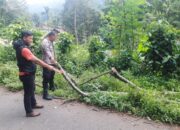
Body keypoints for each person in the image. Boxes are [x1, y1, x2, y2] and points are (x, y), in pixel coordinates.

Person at [13, 31, 63, 117]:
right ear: (24, 38)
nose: (31, 40)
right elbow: (36, 60)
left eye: (32, 38)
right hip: (26, 74)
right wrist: (49, 66)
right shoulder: (24, 49)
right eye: (30, 38)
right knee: (28, 93)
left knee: (32, 90)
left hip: (29, 73)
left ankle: (33, 104)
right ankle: (29, 112)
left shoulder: (24, 46)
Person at [41, 31, 59, 100]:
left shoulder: (51, 42)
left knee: (52, 75)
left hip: (52, 62)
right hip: (47, 63)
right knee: (46, 78)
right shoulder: (45, 42)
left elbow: (53, 51)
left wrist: (55, 60)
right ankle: (45, 95)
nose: (56, 38)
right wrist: (52, 58)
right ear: (51, 36)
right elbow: (47, 51)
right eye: (55, 36)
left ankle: (52, 87)